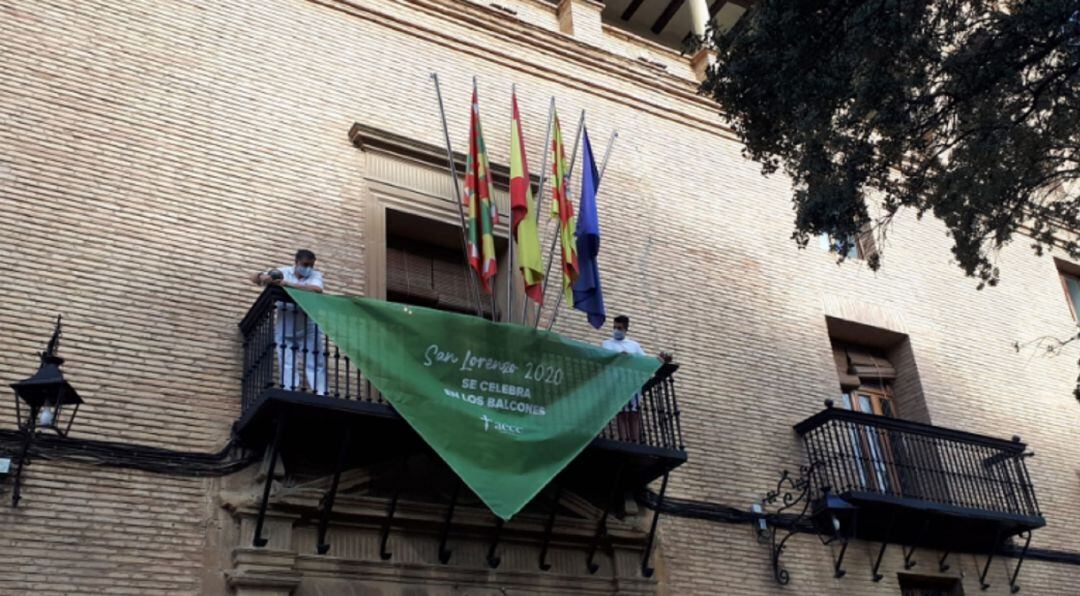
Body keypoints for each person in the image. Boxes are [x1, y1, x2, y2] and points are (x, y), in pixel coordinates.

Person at [251, 249, 327, 394]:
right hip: (285, 323)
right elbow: (253, 277)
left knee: (315, 360)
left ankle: (321, 392)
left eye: (311, 265)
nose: (308, 268)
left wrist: (287, 285)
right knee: (286, 360)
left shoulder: (315, 275)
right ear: (296, 262)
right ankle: (289, 389)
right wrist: (262, 276)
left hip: (308, 323)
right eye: (305, 264)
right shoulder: (283, 271)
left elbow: (317, 290)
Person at [601, 315, 671, 442]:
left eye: (619, 328)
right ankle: (623, 439)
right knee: (621, 413)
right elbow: (604, 360)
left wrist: (658, 360)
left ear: (626, 329)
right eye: (614, 327)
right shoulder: (607, 344)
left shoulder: (634, 345)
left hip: (632, 384)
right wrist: (617, 356)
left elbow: (644, 361)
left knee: (634, 413)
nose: (616, 330)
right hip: (616, 384)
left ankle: (635, 439)